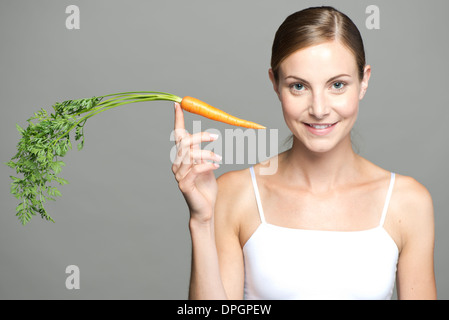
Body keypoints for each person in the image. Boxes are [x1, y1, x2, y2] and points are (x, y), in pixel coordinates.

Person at [171, 6, 436, 300]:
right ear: (275, 83)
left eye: (337, 85)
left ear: (364, 81)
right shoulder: (234, 194)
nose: (319, 109)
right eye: (298, 86)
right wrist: (201, 221)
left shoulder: (408, 203)